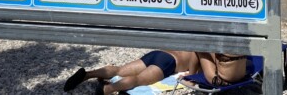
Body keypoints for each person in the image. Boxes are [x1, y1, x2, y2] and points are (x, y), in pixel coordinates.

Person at [63, 50, 198, 94]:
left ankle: (88, 74)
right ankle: (107, 88)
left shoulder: (187, 37)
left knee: (120, 70)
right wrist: (191, 75)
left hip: (158, 53)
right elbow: (194, 59)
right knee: (138, 79)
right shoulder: (200, 47)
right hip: (169, 62)